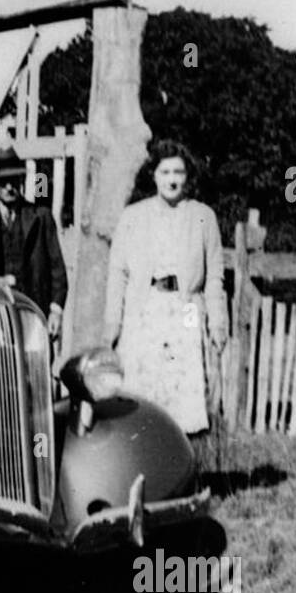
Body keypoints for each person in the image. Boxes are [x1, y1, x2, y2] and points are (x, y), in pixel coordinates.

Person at [104, 140, 227, 464]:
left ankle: (182, 471)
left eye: (178, 172)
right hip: (145, 310)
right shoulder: (133, 216)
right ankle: (142, 469)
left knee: (182, 396)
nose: (172, 179)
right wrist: (112, 323)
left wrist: (217, 321)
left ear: (187, 177)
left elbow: (215, 274)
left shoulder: (203, 216)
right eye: (165, 172)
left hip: (186, 308)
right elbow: (117, 273)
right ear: (154, 176)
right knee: (144, 395)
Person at [0, 146, 68, 338]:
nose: (9, 187)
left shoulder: (41, 217)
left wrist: (56, 311)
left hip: (34, 314)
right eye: (3, 182)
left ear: (21, 180)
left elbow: (57, 269)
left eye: (13, 180)